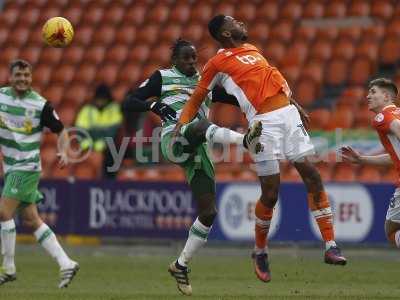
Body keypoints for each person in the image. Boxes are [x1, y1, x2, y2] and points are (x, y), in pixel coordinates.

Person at [173, 15, 347, 284]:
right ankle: (260, 250)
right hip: (261, 124)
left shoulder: (252, 49)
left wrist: (295, 104)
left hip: (287, 115)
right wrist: (181, 123)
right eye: (232, 21)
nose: (240, 22)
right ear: (224, 33)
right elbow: (198, 95)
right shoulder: (217, 62)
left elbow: (272, 79)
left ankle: (330, 245)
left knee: (311, 173)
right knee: (271, 191)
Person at [123, 38, 262, 295]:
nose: (190, 63)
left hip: (199, 150)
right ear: (174, 60)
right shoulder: (162, 77)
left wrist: (257, 103)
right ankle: (245, 141)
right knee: (199, 125)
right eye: (185, 58)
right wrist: (152, 104)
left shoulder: (204, 82)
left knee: (209, 212)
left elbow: (235, 97)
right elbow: (129, 101)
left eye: (193, 58)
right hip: (174, 139)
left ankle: (181, 264)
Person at [0, 59, 79, 288]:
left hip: (26, 167)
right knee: (31, 220)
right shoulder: (1, 98)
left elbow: (61, 130)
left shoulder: (40, 105)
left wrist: (64, 151)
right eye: (19, 75)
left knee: (4, 213)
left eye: (26, 76)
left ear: (31, 78)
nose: (23, 79)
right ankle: (66, 263)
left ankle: (9, 267)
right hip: (12, 166)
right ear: (10, 76)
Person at [341, 78, 400, 249]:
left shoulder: (382, 116)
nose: (368, 96)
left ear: (387, 96)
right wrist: (361, 159)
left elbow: (397, 127)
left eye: (373, 92)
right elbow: (394, 157)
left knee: (391, 231)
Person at [75, 83, 122, 178]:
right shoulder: (86, 110)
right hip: (87, 146)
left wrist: (92, 131)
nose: (100, 101)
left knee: (113, 153)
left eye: (103, 99)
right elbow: (81, 131)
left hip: (107, 147)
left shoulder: (114, 108)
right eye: (99, 98)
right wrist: (101, 131)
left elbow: (113, 130)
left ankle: (108, 181)